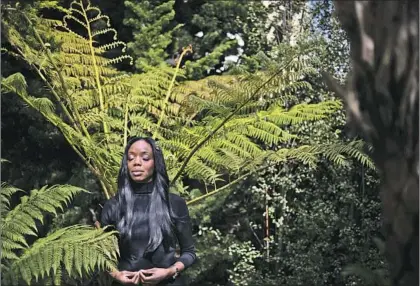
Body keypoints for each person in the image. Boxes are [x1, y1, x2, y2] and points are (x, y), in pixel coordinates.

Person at [100, 137, 196, 285]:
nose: (136, 162)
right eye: (130, 158)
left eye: (145, 158)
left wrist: (169, 271)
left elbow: (189, 252)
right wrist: (117, 275)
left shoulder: (174, 203)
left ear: (155, 163)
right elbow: (101, 256)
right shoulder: (113, 205)